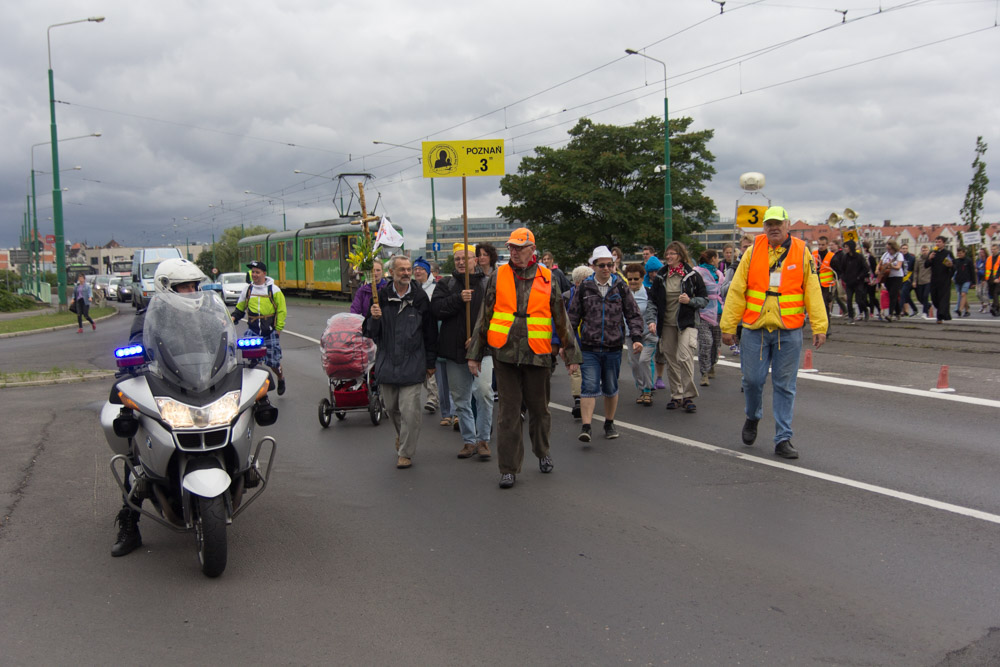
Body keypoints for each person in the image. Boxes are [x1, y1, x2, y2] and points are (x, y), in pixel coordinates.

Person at [467, 227, 581, 489]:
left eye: (520, 247)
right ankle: (508, 468)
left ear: (532, 249)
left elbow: (561, 318)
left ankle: (542, 451)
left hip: (537, 354)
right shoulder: (498, 275)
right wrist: (475, 354)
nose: (514, 252)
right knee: (508, 414)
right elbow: (485, 316)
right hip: (505, 353)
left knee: (539, 410)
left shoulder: (547, 277)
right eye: (511, 247)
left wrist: (571, 354)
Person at [112, 258, 208, 557]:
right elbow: (136, 346)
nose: (191, 291)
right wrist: (132, 364)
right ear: (166, 287)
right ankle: (130, 522)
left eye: (194, 286)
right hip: (164, 389)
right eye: (184, 287)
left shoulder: (206, 313)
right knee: (136, 449)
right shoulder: (148, 317)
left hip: (202, 387)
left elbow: (223, 343)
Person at [720, 206, 828, 460]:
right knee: (752, 381)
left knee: (785, 386)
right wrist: (728, 326)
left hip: (788, 331)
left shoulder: (802, 251)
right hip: (755, 329)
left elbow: (812, 289)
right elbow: (737, 290)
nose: (773, 228)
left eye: (778, 223)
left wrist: (820, 325)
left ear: (787, 225)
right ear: (764, 227)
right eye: (769, 224)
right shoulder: (752, 251)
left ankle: (783, 438)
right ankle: (753, 416)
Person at [364, 255, 438, 469]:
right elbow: (370, 332)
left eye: (408, 269)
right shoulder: (381, 297)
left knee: (410, 412)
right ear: (392, 273)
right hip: (387, 363)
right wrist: (374, 318)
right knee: (392, 409)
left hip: (413, 363)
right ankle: (402, 436)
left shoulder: (420, 297)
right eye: (402, 270)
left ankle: (405, 452)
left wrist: (430, 362)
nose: (406, 273)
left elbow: (430, 332)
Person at [567, 245, 644, 442]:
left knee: (610, 387)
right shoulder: (584, 287)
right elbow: (572, 318)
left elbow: (633, 314)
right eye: (602, 265)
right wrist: (568, 346)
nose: (606, 268)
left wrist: (637, 338)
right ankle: (586, 427)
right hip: (589, 347)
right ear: (593, 266)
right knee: (589, 386)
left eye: (610, 265)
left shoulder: (620, 286)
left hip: (613, 346)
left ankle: (609, 423)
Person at [431, 243, 493, 460]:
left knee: (484, 392)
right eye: (457, 259)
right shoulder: (445, 284)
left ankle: (483, 439)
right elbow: (436, 310)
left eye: (465, 258)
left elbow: (495, 315)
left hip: (483, 350)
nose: (460, 262)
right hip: (453, 350)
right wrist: (458, 299)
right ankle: (469, 440)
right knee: (461, 398)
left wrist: (477, 338)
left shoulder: (487, 284)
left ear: (475, 260)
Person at [646, 241, 708, 413]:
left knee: (684, 357)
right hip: (666, 324)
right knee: (671, 360)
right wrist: (651, 320)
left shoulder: (692, 276)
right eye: (667, 254)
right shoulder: (661, 276)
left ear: (680, 255)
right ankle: (677, 395)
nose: (668, 256)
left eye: (672, 253)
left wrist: (690, 301)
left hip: (687, 323)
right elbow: (652, 301)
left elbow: (704, 299)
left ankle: (688, 395)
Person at [232, 261, 288, 395]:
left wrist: (278, 330)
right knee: (253, 362)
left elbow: (281, 311)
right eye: (253, 272)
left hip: (270, 332)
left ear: (264, 274)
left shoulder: (274, 290)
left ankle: (280, 378)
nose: (254, 275)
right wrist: (231, 319)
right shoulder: (247, 290)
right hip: (253, 331)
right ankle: (257, 390)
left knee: (273, 363)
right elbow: (240, 309)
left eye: (257, 272)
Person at [413, 256, 449, 416]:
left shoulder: (436, 287)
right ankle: (432, 396)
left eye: (421, 269)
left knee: (431, 364)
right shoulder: (412, 288)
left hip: (433, 331)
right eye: (415, 269)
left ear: (427, 271)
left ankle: (433, 398)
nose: (417, 271)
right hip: (416, 331)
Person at [624, 262, 657, 405]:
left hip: (648, 334)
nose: (632, 282)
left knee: (644, 360)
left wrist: (653, 323)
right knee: (634, 363)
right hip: (630, 334)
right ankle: (642, 389)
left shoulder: (649, 293)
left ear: (642, 278)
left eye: (636, 279)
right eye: (630, 279)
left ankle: (648, 390)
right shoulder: (623, 294)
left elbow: (655, 310)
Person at [693, 249, 724, 386]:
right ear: (713, 259)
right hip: (703, 312)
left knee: (716, 342)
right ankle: (704, 373)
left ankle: (712, 365)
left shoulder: (719, 274)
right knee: (706, 342)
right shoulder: (698, 272)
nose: (718, 260)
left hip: (718, 312)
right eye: (717, 257)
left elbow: (722, 291)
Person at [836, 240, 870, 322]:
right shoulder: (845, 258)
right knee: (849, 299)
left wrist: (859, 277)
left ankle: (865, 310)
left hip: (858, 282)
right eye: (844, 247)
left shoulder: (859, 257)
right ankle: (851, 316)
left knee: (859, 300)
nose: (845, 249)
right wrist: (844, 277)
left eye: (846, 247)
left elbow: (866, 268)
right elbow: (842, 269)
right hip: (849, 282)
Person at [926, 236, 954, 323]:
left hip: (944, 279)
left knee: (943, 299)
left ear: (944, 243)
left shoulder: (948, 253)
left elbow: (954, 266)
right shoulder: (933, 253)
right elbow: (926, 265)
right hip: (934, 279)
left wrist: (951, 265)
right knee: (935, 298)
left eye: (939, 242)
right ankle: (941, 313)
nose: (937, 244)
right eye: (936, 242)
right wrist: (929, 258)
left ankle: (940, 317)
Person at [878, 240, 905, 321]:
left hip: (897, 277)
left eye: (890, 249)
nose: (888, 251)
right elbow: (880, 263)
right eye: (887, 249)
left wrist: (891, 266)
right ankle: (898, 312)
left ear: (894, 248)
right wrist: (877, 270)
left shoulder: (899, 255)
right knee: (892, 295)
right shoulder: (885, 254)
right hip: (887, 277)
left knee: (893, 294)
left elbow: (898, 267)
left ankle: (890, 314)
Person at [812, 236, 837, 319]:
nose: (820, 246)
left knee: (824, 303)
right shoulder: (814, 254)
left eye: (823, 245)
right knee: (816, 304)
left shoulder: (831, 256)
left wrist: (834, 279)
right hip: (815, 283)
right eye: (819, 244)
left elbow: (836, 270)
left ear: (827, 245)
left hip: (827, 285)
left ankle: (826, 321)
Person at [952, 246, 976, 318]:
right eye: (958, 253)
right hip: (958, 281)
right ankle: (967, 310)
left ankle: (960, 309)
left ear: (964, 253)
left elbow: (972, 271)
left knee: (963, 294)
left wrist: (973, 282)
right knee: (963, 296)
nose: (959, 254)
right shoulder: (956, 261)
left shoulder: (968, 261)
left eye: (961, 253)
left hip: (966, 280)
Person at [914, 244, 934, 319]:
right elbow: (916, 271)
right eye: (923, 250)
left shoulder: (931, 259)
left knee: (925, 296)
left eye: (926, 250)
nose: (924, 252)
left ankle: (925, 312)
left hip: (928, 280)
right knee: (920, 298)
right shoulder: (918, 260)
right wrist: (914, 281)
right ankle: (928, 306)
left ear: (928, 251)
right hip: (920, 281)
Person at [900, 243, 918, 316]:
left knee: (903, 293)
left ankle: (899, 310)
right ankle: (915, 309)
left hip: (908, 278)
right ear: (901, 249)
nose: (904, 250)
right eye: (903, 248)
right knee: (906, 295)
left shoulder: (912, 258)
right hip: (901, 278)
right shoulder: (899, 257)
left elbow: (915, 270)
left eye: (906, 248)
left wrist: (912, 278)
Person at [986, 243, 1000, 316]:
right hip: (991, 279)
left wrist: (997, 278)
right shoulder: (989, 258)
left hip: (998, 279)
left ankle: (995, 307)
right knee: (992, 293)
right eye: (992, 249)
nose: (993, 251)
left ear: (998, 249)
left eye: (994, 249)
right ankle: (996, 307)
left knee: (995, 293)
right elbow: (987, 269)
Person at [975, 247, 989, 313]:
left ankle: (985, 307)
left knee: (984, 293)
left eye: (982, 252)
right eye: (980, 252)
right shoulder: (979, 261)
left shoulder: (987, 261)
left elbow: (986, 271)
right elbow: (977, 269)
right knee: (978, 293)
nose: (981, 254)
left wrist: (979, 271)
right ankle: (983, 304)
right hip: (979, 280)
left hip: (985, 279)